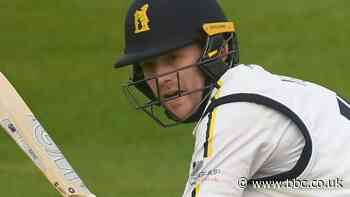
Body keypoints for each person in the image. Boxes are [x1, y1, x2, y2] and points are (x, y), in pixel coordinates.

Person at [114, 0, 350, 196]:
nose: (161, 77)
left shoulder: (235, 112)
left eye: (173, 58)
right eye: (149, 65)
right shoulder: (260, 90)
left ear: (219, 49)